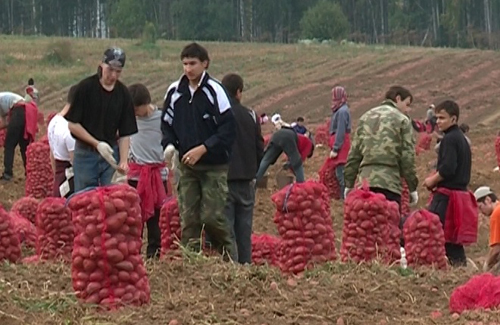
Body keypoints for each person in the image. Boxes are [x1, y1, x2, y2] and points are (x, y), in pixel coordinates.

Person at [161, 42, 235, 257]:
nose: (188, 69)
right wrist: (169, 145)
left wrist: (204, 148)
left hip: (214, 165)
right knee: (189, 218)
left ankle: (229, 258)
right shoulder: (175, 92)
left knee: (212, 217)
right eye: (184, 64)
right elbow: (167, 123)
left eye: (192, 63)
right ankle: (191, 263)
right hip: (187, 166)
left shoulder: (215, 91)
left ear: (205, 64)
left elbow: (228, 129)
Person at [65, 47, 138, 192]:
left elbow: (125, 132)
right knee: (84, 199)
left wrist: (123, 161)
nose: (113, 75)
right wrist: (97, 144)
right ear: (101, 65)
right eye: (110, 70)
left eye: (118, 72)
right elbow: (73, 124)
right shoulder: (85, 88)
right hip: (86, 153)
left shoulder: (123, 94)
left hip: (111, 155)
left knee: (112, 198)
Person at [344, 86, 419, 209]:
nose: (408, 109)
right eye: (407, 104)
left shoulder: (365, 117)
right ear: (398, 98)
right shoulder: (402, 120)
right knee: (388, 224)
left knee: (368, 223)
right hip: (389, 184)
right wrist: (412, 187)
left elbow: (354, 154)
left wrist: (349, 183)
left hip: (365, 183)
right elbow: (407, 158)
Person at [423, 100, 475, 267]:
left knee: (435, 233)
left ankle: (451, 268)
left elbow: (447, 168)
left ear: (453, 119)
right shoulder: (461, 139)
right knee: (452, 241)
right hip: (459, 195)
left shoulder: (450, 139)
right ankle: (460, 268)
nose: (438, 122)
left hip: (447, 197)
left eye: (442, 118)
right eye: (437, 118)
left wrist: (431, 180)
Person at [220, 73, 264, 264]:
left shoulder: (218, 114)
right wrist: (254, 171)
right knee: (244, 229)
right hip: (246, 179)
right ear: (239, 92)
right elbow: (259, 148)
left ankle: (231, 268)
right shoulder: (251, 115)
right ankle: (246, 265)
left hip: (224, 178)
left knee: (226, 228)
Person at [126, 83, 167, 259]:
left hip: (158, 175)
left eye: (137, 109)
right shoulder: (128, 119)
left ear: (146, 103)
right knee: (134, 216)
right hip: (136, 175)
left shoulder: (162, 118)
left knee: (156, 217)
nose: (135, 113)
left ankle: (154, 253)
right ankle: (133, 252)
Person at [255, 114, 313, 184]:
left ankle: (255, 180)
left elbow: (291, 154)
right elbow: (300, 159)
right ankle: (301, 184)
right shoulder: (309, 144)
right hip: (288, 136)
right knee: (298, 163)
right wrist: (292, 166)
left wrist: (289, 164)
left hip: (277, 135)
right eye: (308, 155)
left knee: (266, 159)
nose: (307, 155)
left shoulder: (298, 144)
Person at [0, 87, 39, 181]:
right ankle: (29, 172)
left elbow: (3, 123)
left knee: (9, 144)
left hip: (19, 111)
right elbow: (5, 123)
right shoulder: (4, 99)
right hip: (26, 112)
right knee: (24, 145)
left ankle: (8, 174)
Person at [47, 85, 78, 198]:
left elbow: (52, 154)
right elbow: (76, 165)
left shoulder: (54, 121)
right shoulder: (70, 131)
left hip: (59, 178)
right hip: (70, 184)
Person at [328, 86, 351, 199]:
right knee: (340, 171)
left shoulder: (342, 111)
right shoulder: (340, 109)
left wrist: (336, 148)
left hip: (341, 145)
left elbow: (341, 131)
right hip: (339, 143)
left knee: (341, 172)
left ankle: (345, 197)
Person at [474, 186, 500, 274]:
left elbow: (496, 248)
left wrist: (487, 264)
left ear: (488, 200)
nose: (481, 212)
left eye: (480, 207)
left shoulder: (496, 214)